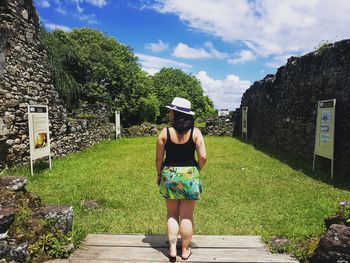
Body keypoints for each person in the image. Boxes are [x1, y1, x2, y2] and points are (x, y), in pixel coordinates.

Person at [156, 97, 207, 261]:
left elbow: (158, 159)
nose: (169, 113)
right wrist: (197, 170)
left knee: (171, 213)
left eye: (171, 110)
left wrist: (159, 174)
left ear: (175, 113)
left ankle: (172, 249)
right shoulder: (195, 132)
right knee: (186, 216)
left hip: (169, 175)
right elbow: (203, 157)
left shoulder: (165, 132)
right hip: (190, 175)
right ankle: (185, 251)